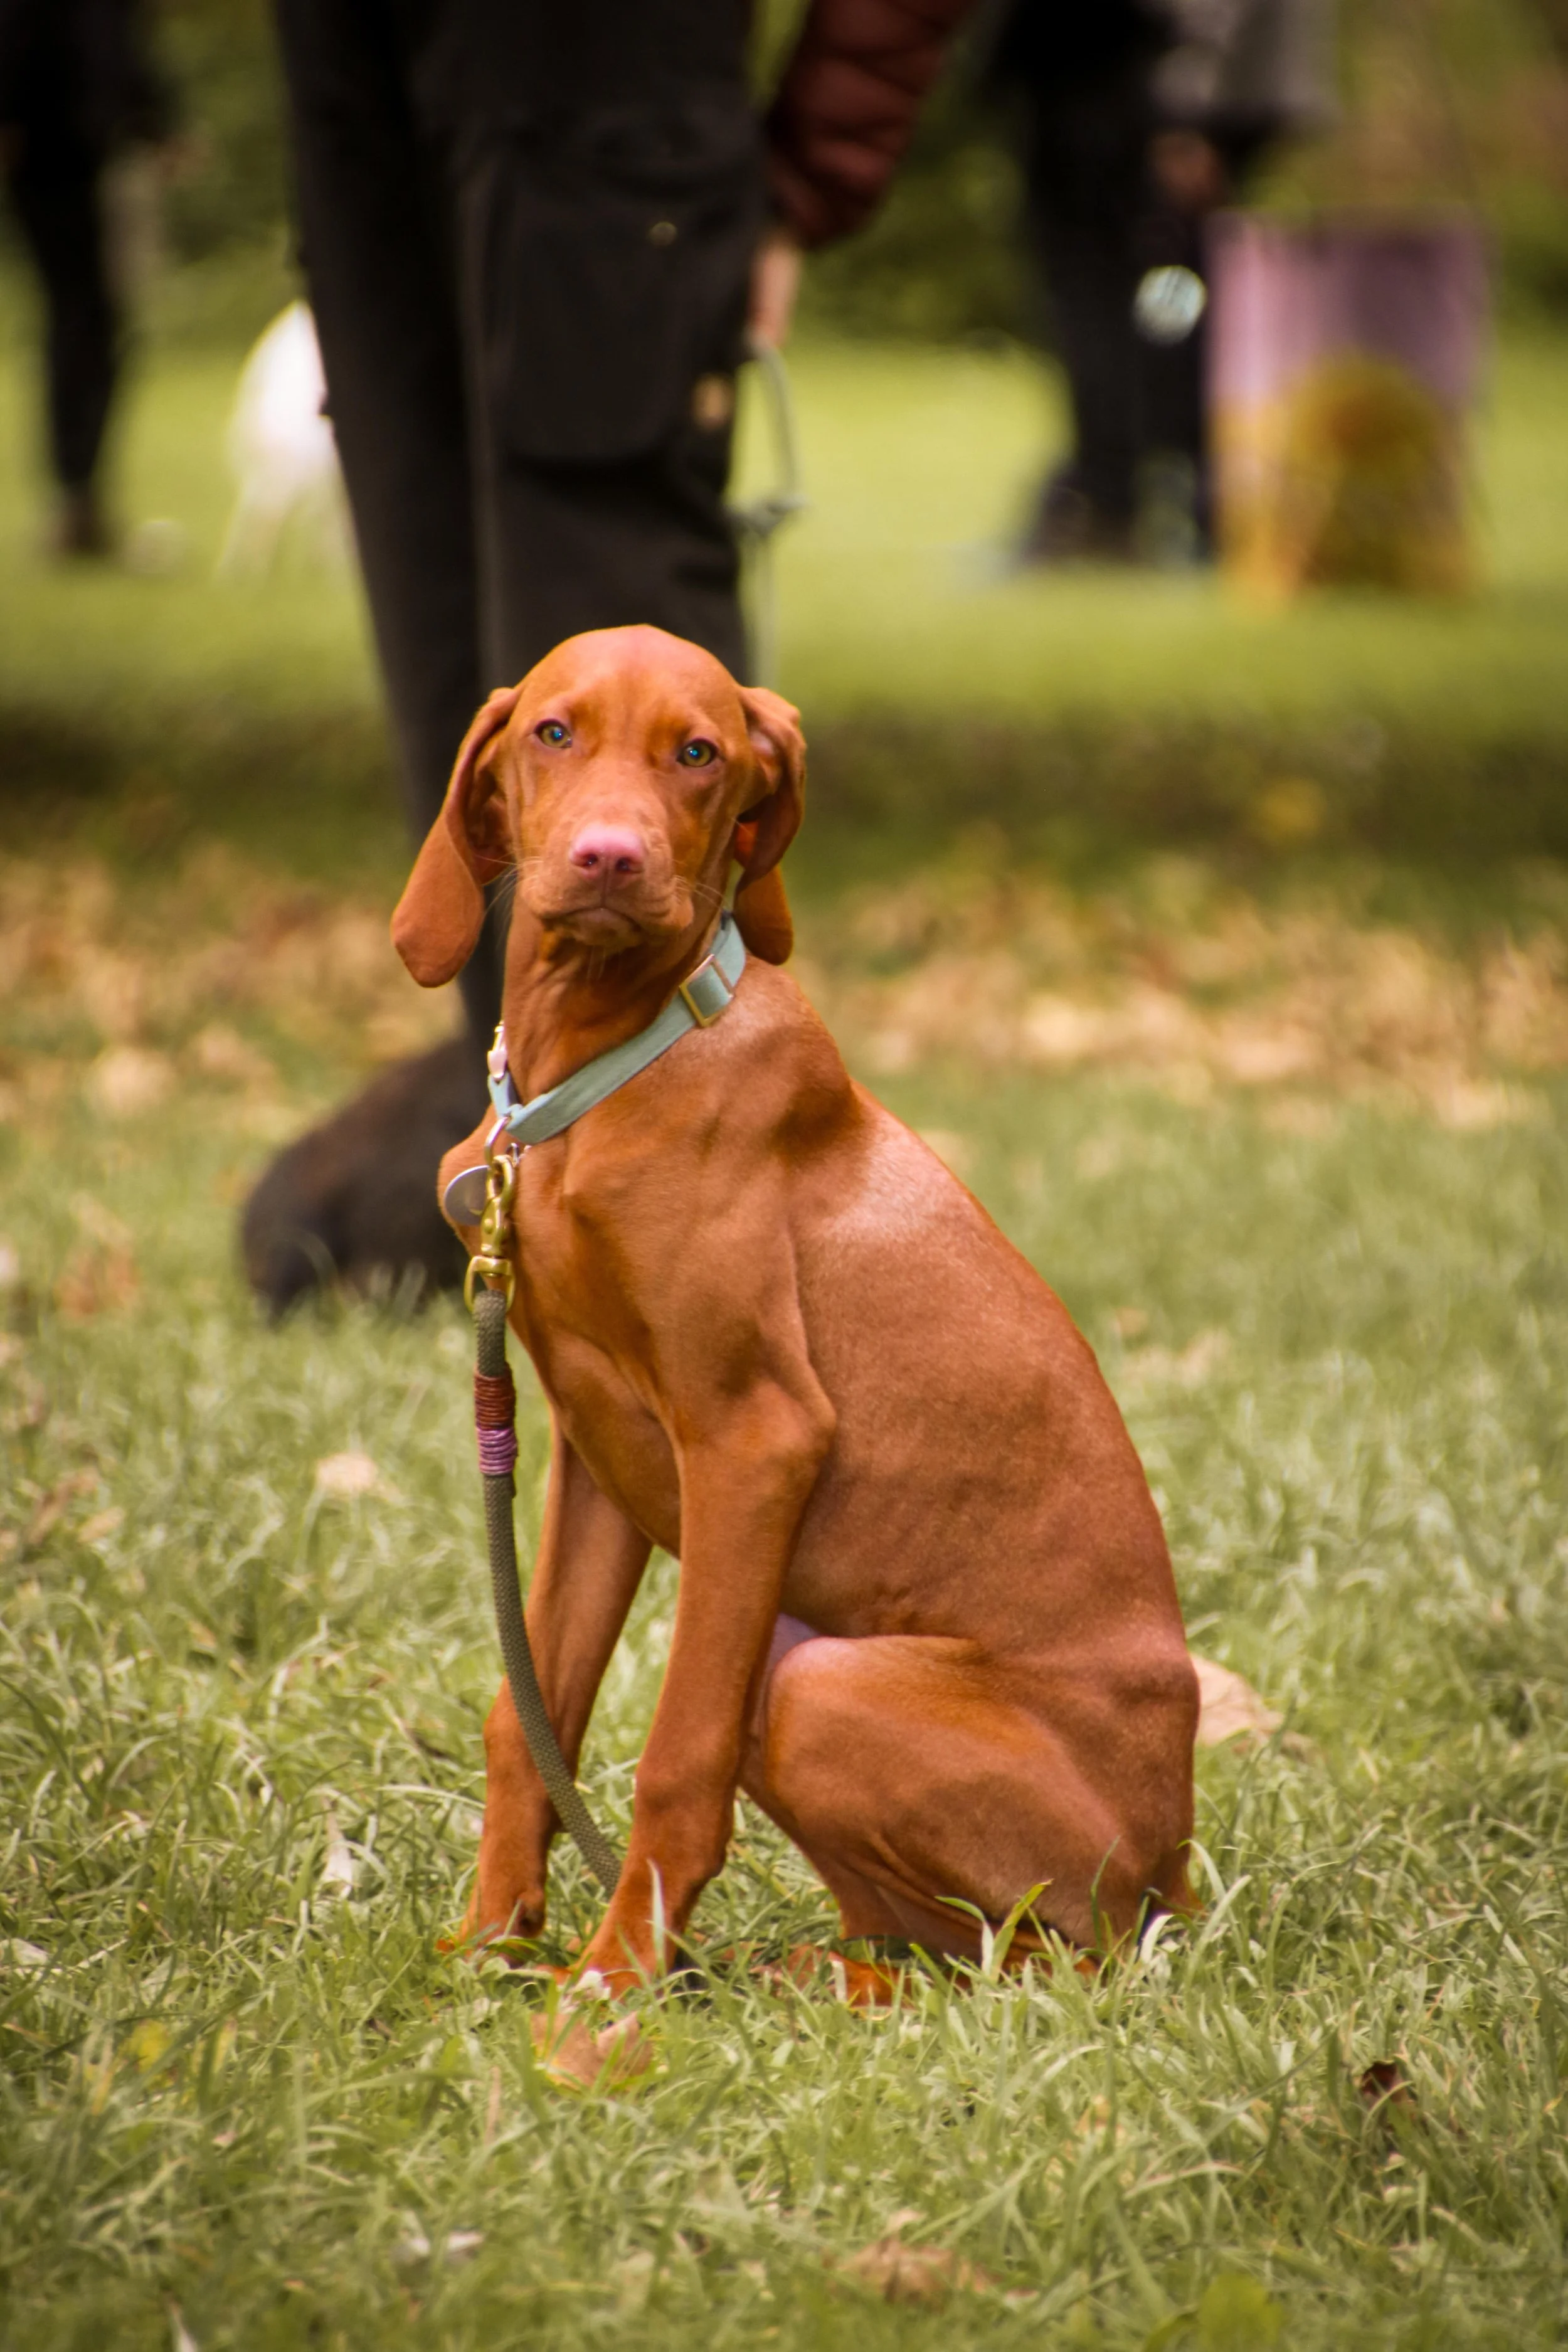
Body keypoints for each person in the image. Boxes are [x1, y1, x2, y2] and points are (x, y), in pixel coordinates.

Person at [243, 0, 980, 1313]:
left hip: (612, 85)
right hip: (359, 76)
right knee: (454, 641)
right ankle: (536, 1184)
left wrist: (813, 167)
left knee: (624, 698)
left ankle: (698, 1225)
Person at [988, 0, 1332, 566]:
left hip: (1144, 71)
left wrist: (1187, 109)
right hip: (1134, 70)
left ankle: (1143, 503)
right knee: (1138, 298)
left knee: (1145, 297)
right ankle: (1132, 495)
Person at [0, 0, 174, 556]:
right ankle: (76, 501)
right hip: (58, 140)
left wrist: (153, 120)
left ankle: (80, 499)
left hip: (79, 137)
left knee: (88, 320)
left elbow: (117, 35)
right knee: (84, 320)